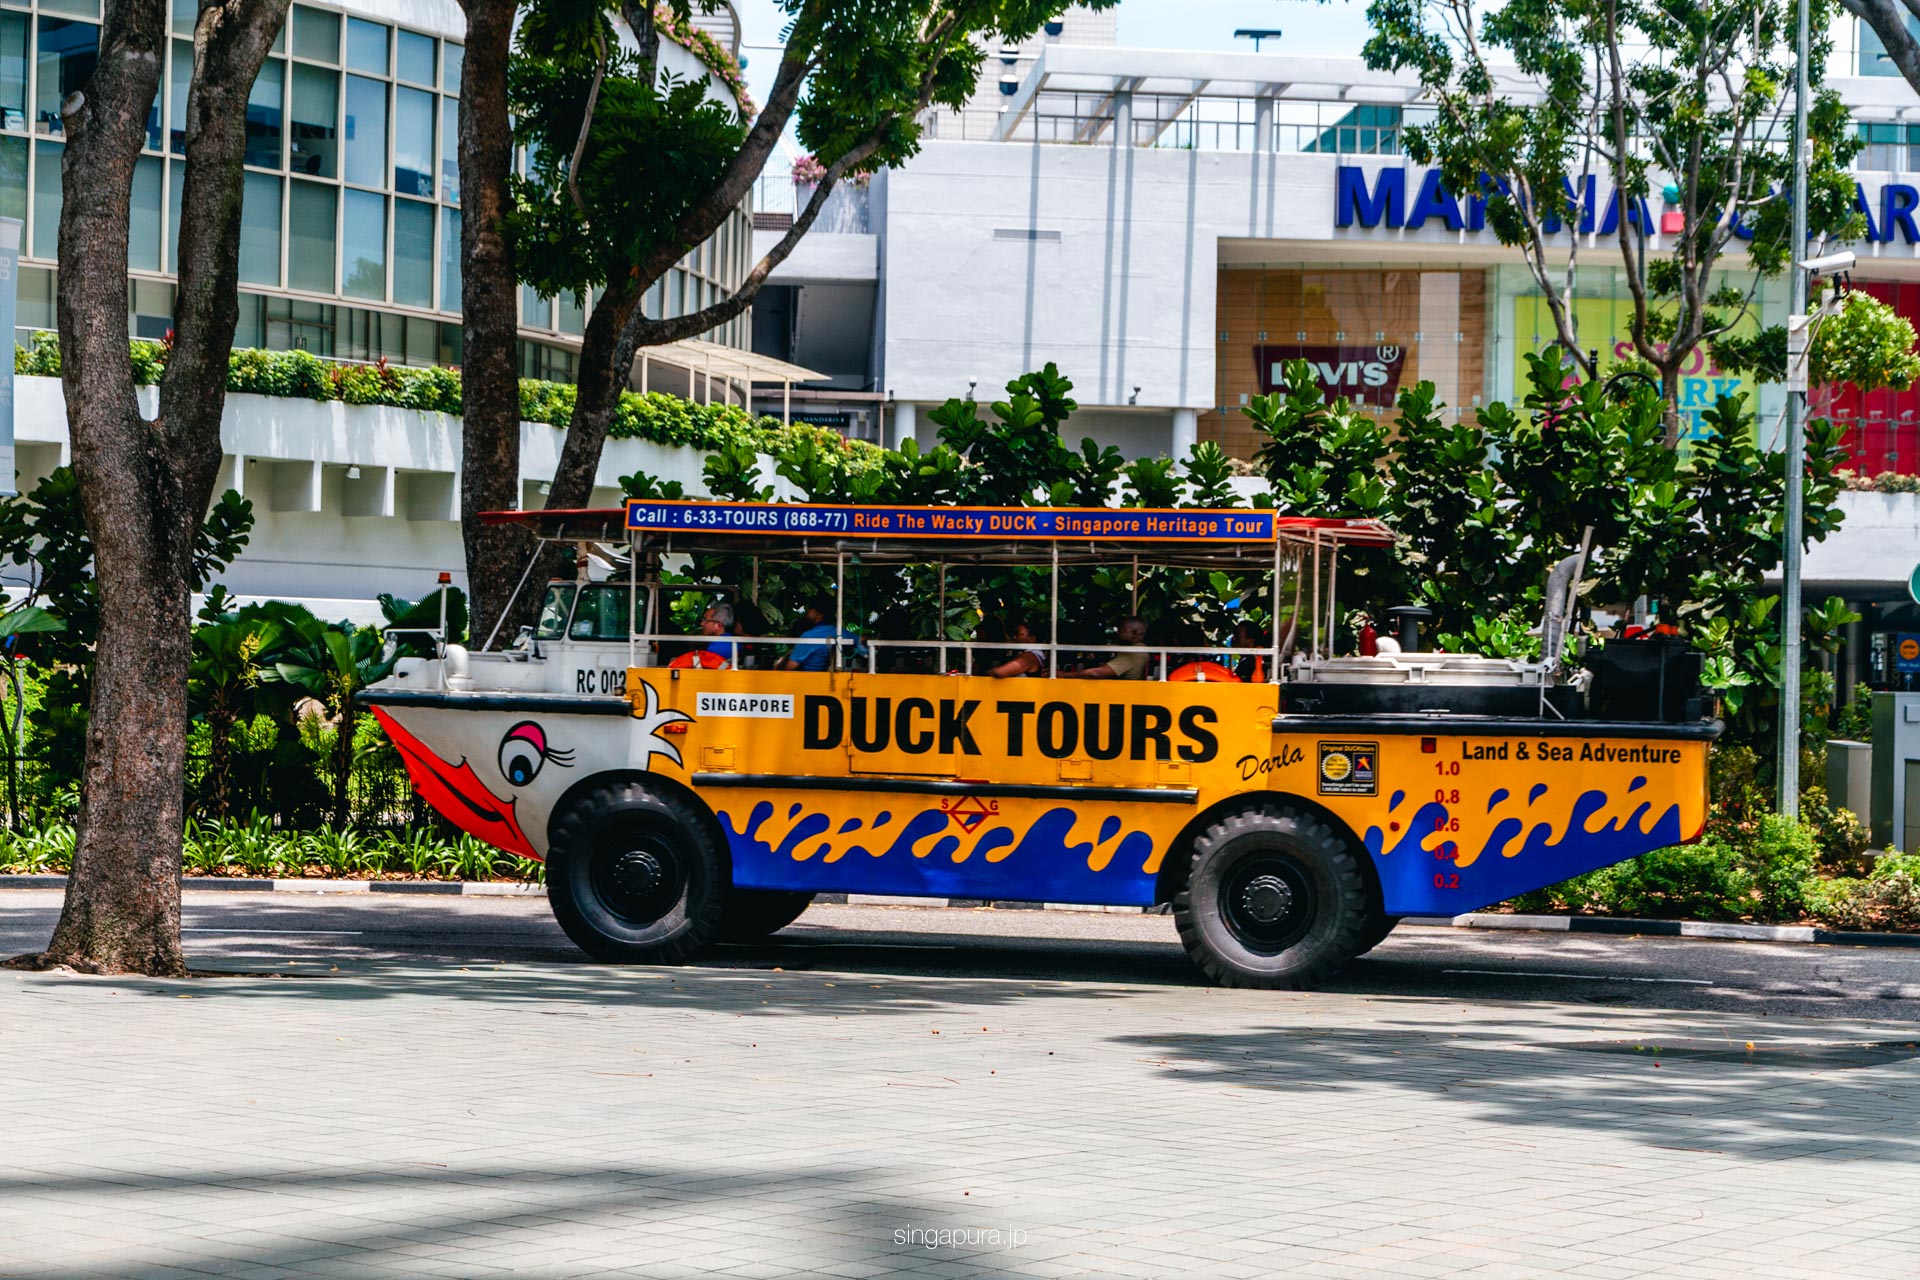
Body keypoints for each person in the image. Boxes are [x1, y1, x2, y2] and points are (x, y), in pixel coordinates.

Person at [776, 595, 857, 672]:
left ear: (819, 615)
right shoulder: (840, 632)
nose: (807, 611)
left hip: (809, 679)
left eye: (811, 608)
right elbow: (861, 640)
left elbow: (790, 667)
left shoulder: (809, 636)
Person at [1064, 615, 1150, 680]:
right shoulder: (1138, 648)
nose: (1117, 633)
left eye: (1121, 630)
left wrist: (1063, 675)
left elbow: (1095, 673)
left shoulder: (1132, 653)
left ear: (1134, 633)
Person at [699, 602, 739, 668]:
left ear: (718, 625)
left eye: (705, 620)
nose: (702, 623)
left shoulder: (716, 647)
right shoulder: (732, 641)